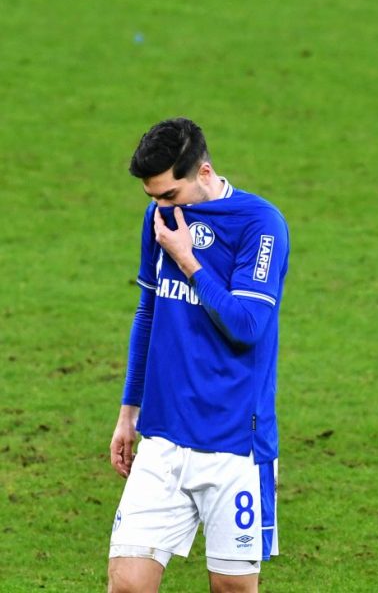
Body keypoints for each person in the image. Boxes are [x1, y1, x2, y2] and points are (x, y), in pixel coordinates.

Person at [107, 118, 289, 593]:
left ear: (203, 172)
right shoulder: (160, 218)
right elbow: (148, 312)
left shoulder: (260, 224)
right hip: (163, 435)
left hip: (235, 443)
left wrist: (188, 260)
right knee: (127, 584)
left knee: (232, 588)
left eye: (169, 195)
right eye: (153, 198)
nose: (161, 208)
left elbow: (246, 326)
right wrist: (128, 411)